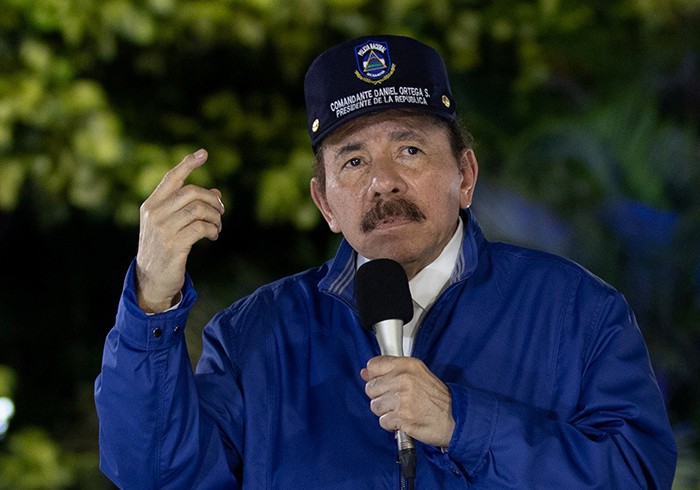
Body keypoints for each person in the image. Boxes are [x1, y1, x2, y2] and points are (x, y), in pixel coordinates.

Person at [94, 35, 677, 489]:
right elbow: (154, 475)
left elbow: (639, 475)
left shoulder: (576, 312)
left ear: (466, 176)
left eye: (409, 149)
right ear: (325, 202)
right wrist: (150, 301)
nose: (382, 182)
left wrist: (462, 424)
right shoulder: (255, 336)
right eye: (352, 162)